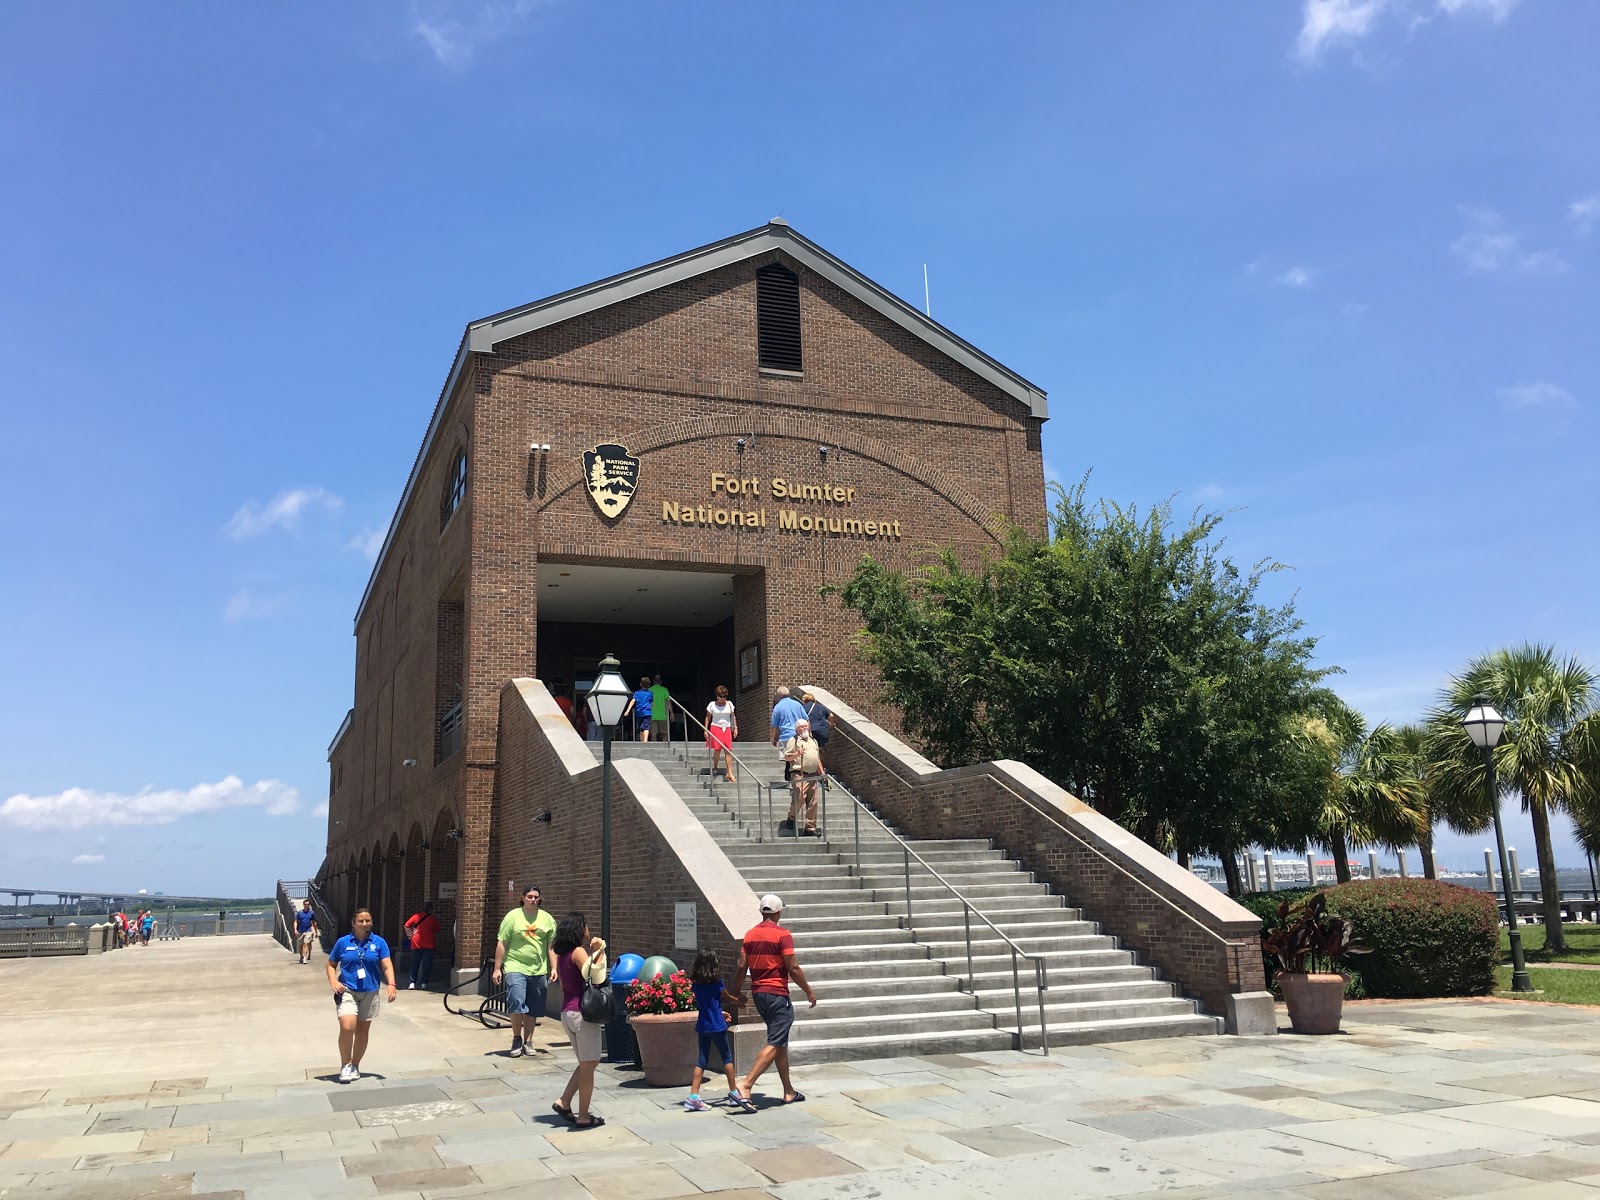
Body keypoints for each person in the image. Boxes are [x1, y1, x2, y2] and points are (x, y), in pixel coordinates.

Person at [730, 894, 816, 1111]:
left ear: (762, 912)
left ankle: (789, 1091)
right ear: (778, 913)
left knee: (780, 1042)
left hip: (759, 994)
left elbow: (741, 967)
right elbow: (793, 967)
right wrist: (808, 990)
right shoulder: (783, 935)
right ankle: (746, 1085)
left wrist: (736, 993)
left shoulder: (749, 935)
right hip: (777, 994)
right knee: (776, 1042)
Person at [550, 911, 609, 1129]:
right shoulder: (577, 953)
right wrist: (599, 950)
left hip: (567, 1012)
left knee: (589, 1063)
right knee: (588, 1066)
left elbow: (569, 984)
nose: (588, 928)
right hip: (583, 1015)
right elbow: (596, 975)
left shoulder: (562, 954)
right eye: (586, 924)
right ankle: (584, 1115)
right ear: (579, 928)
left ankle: (564, 1101)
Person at [325, 907, 396, 1083]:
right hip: (347, 989)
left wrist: (392, 984)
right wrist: (333, 981)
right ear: (353, 923)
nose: (364, 924)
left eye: (367, 921)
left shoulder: (379, 942)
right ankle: (345, 1064)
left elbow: (387, 965)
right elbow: (331, 964)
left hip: (370, 992)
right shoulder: (343, 942)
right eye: (361, 921)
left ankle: (355, 1064)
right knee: (347, 1026)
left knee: (363, 1030)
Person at [492, 885, 557, 1056]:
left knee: (533, 1007)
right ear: (522, 898)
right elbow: (502, 943)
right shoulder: (512, 917)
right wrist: (497, 968)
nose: (533, 900)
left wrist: (554, 967)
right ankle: (516, 1038)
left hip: (538, 969)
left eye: (536, 897)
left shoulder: (547, 919)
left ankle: (528, 1041)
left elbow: (551, 946)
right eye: (529, 896)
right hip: (515, 966)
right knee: (516, 1000)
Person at [684, 948, 741, 1111]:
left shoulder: (696, 985)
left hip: (703, 1025)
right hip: (717, 1026)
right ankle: (733, 1093)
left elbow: (708, 1005)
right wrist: (737, 1001)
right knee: (727, 1058)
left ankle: (693, 1096)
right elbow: (726, 997)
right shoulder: (718, 983)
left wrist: (719, 1012)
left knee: (701, 1061)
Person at [781, 719, 825, 837]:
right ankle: (792, 817)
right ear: (797, 729)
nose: (805, 728)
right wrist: (797, 754)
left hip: (813, 775)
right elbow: (787, 757)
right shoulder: (794, 740)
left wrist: (823, 774)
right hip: (799, 774)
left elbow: (817, 758)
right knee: (799, 797)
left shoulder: (813, 741)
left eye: (806, 726)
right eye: (802, 727)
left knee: (813, 802)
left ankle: (810, 827)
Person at [402, 901, 438, 990]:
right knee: (426, 964)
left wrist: (411, 935)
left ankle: (412, 982)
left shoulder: (416, 916)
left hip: (416, 942)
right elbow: (437, 929)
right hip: (428, 942)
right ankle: (424, 983)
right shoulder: (432, 918)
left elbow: (406, 925)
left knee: (414, 963)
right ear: (430, 909)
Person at [706, 684, 739, 783]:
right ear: (717, 696)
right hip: (715, 727)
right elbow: (708, 717)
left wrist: (735, 727)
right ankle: (715, 766)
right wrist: (705, 729)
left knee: (727, 750)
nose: (723, 699)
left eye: (724, 697)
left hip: (727, 728)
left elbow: (733, 716)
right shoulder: (712, 705)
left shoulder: (729, 704)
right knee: (717, 749)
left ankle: (729, 772)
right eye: (721, 697)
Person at [769, 686, 805, 750]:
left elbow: (773, 726)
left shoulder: (777, 707)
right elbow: (807, 720)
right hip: (799, 736)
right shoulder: (798, 704)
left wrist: (773, 738)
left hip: (785, 737)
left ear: (779, 695)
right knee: (799, 758)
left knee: (786, 758)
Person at [621, 675, 654, 741]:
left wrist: (627, 711)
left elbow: (633, 701)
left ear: (640, 684)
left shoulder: (637, 693)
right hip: (647, 712)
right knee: (646, 727)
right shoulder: (650, 693)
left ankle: (642, 741)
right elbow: (652, 703)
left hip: (639, 713)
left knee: (641, 728)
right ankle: (645, 741)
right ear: (649, 685)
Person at [295, 899, 318, 964]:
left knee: (306, 944)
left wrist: (315, 931)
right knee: (300, 945)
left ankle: (305, 958)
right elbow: (296, 921)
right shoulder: (299, 913)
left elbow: (314, 922)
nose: (307, 906)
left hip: (308, 931)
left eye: (308, 904)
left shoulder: (311, 913)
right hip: (300, 931)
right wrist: (295, 930)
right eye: (305, 904)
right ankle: (301, 956)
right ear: (303, 905)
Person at [650, 676, 672, 743]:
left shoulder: (649, 690)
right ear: (661, 682)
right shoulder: (664, 690)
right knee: (665, 733)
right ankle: (664, 748)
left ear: (653, 682)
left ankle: (654, 749)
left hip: (652, 715)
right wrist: (671, 712)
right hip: (663, 715)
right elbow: (668, 702)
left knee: (653, 734)